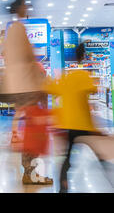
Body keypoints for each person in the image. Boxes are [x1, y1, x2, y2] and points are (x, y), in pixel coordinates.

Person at [0, 0, 53, 185]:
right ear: (20, 8)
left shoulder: (11, 30)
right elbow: (29, 58)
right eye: (25, 5)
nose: (27, 8)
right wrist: (41, 85)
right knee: (34, 129)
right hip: (26, 87)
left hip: (16, 87)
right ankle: (31, 173)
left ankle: (29, 171)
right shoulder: (19, 28)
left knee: (30, 127)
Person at [44, 43, 103, 192]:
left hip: (67, 124)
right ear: (84, 56)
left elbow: (50, 89)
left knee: (67, 157)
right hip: (84, 125)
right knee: (100, 153)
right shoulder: (84, 75)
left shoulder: (66, 77)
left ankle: (63, 187)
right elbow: (93, 91)